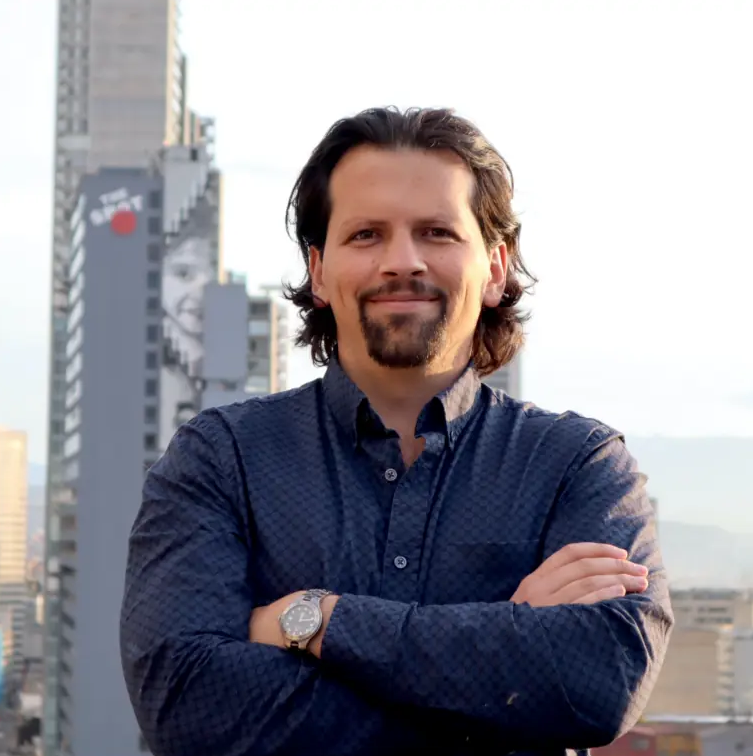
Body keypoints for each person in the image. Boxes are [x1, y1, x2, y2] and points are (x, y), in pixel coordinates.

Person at [120, 106, 673, 756]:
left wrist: (315, 620)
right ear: (318, 269)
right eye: (366, 235)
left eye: (436, 232)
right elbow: (187, 709)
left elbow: (599, 685)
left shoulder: (577, 467)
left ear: (495, 268)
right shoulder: (223, 460)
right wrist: (505, 647)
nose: (401, 261)